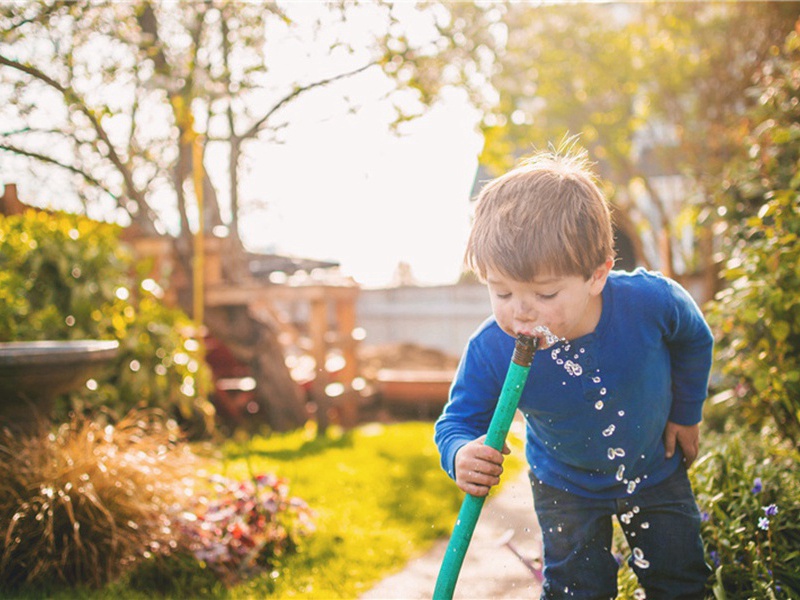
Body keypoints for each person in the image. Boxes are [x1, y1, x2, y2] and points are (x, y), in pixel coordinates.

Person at [434, 147, 713, 599]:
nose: (521, 312)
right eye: (501, 292)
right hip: (563, 484)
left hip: (654, 470)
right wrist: (460, 452)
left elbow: (695, 339)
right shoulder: (492, 348)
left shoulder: (650, 302)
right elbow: (456, 422)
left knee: (680, 582)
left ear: (597, 276)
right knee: (576, 591)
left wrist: (686, 413)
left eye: (545, 294)